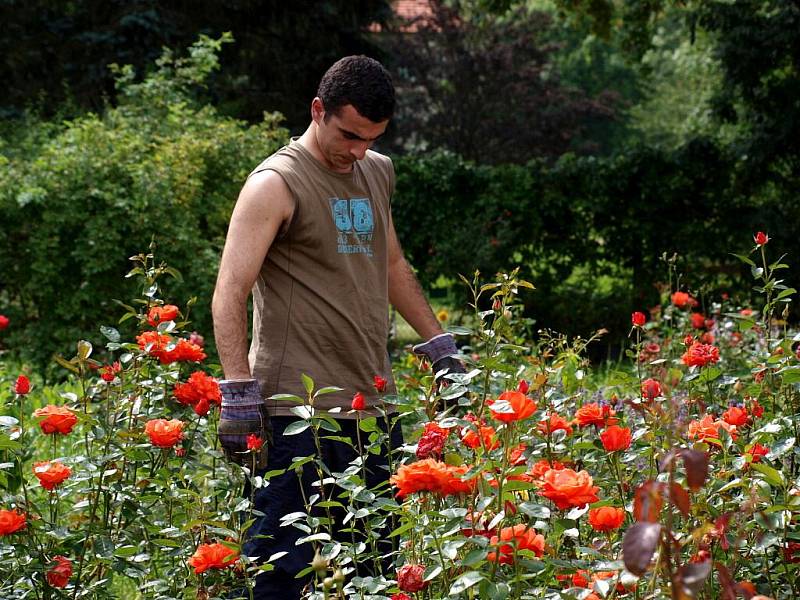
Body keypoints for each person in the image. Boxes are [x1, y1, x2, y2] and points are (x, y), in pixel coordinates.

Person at [211, 56, 461, 598]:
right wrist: (237, 394)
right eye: (349, 135)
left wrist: (439, 342)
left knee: (374, 567)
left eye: (372, 138)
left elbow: (389, 261)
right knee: (279, 575)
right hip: (296, 414)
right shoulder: (276, 183)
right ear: (317, 110)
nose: (358, 151)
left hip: (372, 408)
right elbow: (229, 292)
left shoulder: (377, 170)